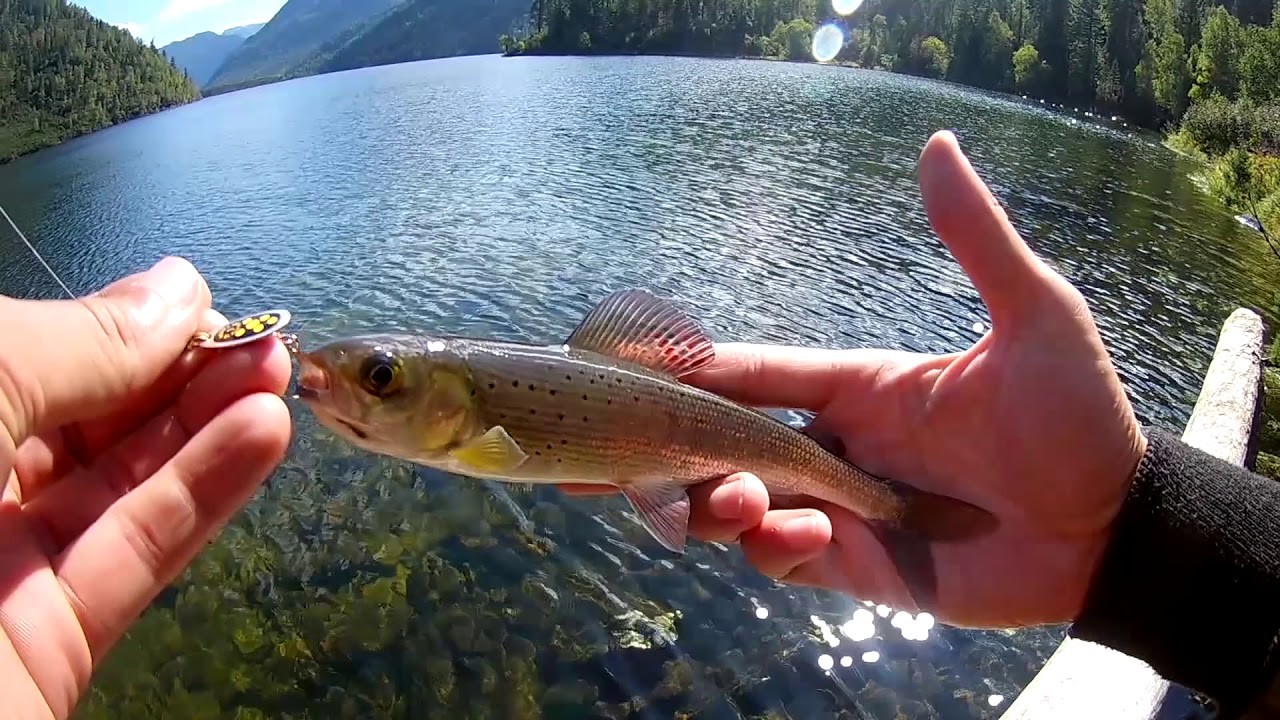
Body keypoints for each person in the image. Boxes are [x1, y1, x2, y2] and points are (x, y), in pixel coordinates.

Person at [0, 131, 1275, 720]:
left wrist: (1126, 531)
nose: (347, 388)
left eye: (378, 378)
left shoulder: (495, 415)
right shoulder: (437, 414)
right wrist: (1133, 543)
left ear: (448, 402)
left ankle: (908, 515)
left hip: (685, 431)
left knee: (751, 500)